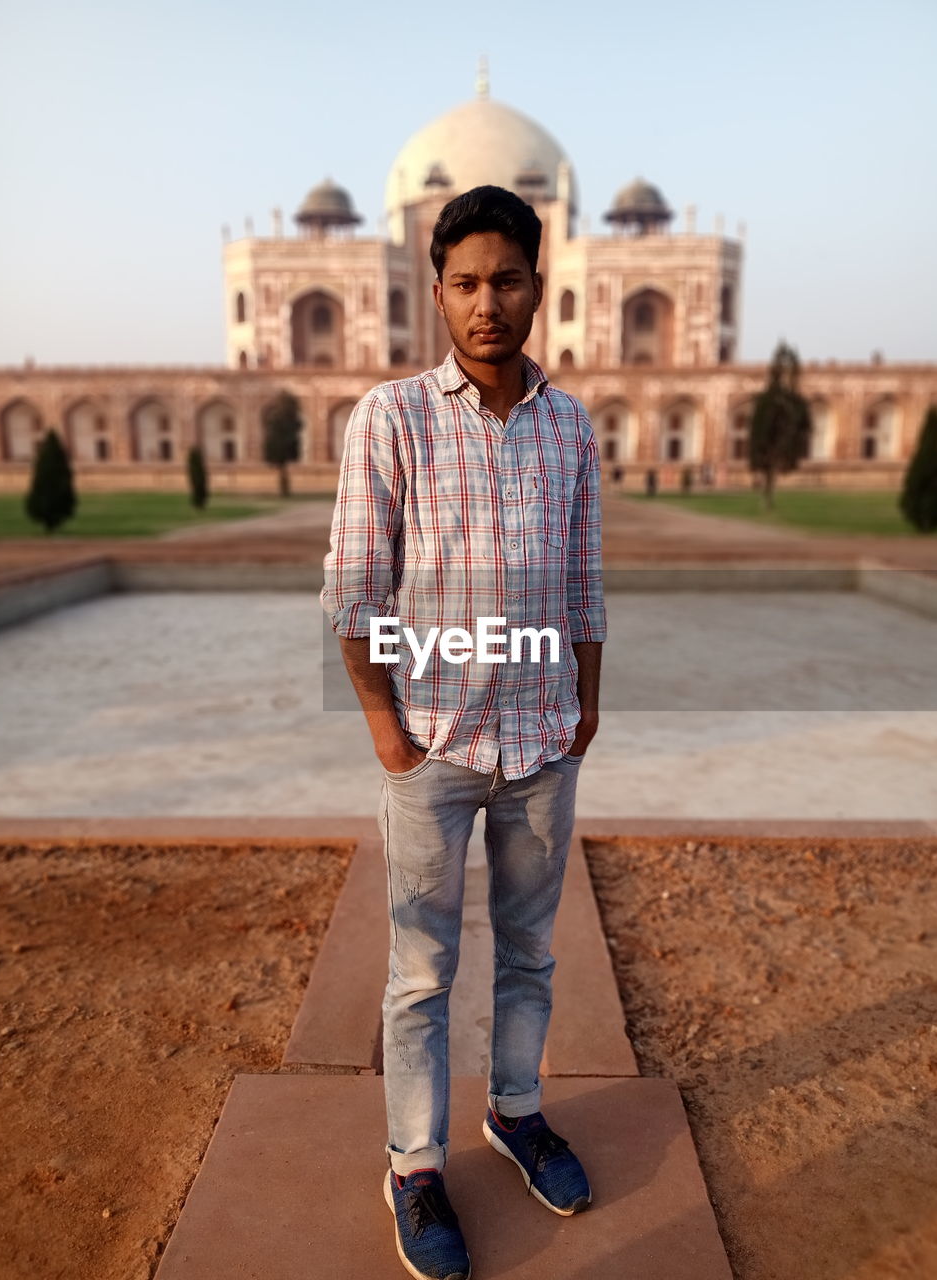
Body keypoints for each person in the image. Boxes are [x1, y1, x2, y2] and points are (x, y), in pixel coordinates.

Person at [322, 184, 606, 1280]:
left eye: (510, 279)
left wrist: (589, 697)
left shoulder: (569, 423)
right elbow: (354, 590)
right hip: (434, 746)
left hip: (540, 741)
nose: (490, 302)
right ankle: (414, 1164)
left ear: (542, 283)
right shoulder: (391, 416)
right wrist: (387, 729)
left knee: (532, 950)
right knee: (422, 973)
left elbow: (584, 577)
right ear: (436, 291)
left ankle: (518, 1111)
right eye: (468, 283)